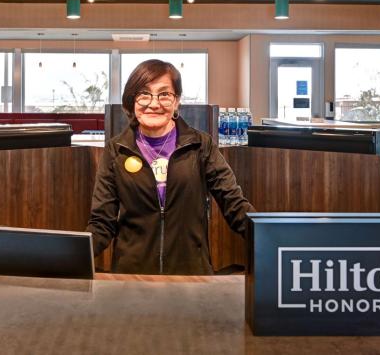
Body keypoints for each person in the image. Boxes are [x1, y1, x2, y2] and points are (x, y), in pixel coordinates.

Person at [87, 59, 255, 275]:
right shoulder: (116, 150)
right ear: (132, 100)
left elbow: (234, 205)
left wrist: (270, 237)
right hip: (132, 277)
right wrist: (72, 257)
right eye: (144, 94)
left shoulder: (201, 145)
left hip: (192, 276)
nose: (154, 103)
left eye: (164, 94)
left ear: (176, 101)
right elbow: (102, 222)